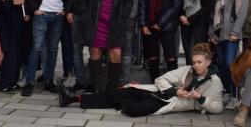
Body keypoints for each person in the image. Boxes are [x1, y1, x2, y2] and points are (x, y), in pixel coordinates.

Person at [59, 43, 223, 116]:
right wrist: (175, 90)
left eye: (199, 62)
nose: (196, 65)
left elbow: (218, 107)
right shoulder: (187, 70)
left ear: (208, 62)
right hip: (158, 92)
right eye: (194, 62)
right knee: (116, 93)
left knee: (132, 110)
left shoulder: (214, 81)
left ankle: (119, 102)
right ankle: (73, 98)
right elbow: (160, 80)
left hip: (167, 103)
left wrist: (200, 98)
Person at [82, 0, 136, 93]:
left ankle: (112, 89)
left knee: (116, 54)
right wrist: (87, 14)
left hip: (116, 22)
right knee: (95, 53)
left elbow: (129, 0)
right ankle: (97, 89)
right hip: (96, 21)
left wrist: (124, 17)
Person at [22, 0, 68, 97]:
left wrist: (65, 9)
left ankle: (49, 81)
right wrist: (35, 9)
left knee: (54, 49)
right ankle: (29, 82)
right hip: (42, 14)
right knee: (37, 47)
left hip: (57, 14)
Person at [211, 0, 249, 109]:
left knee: (229, 64)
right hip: (219, 32)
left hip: (232, 32)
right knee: (220, 63)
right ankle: (226, 92)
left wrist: (236, 32)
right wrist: (212, 32)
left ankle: (235, 95)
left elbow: (242, 12)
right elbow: (212, 12)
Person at [139, 0, 183, 80]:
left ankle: (173, 86)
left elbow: (176, 7)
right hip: (150, 25)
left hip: (167, 26)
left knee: (171, 57)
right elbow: (142, 3)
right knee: (153, 57)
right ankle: (155, 84)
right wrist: (143, 24)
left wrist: (160, 23)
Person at [59, 0, 79, 83]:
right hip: (63, 13)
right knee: (66, 44)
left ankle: (77, 72)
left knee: (76, 45)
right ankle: (68, 71)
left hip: (78, 14)